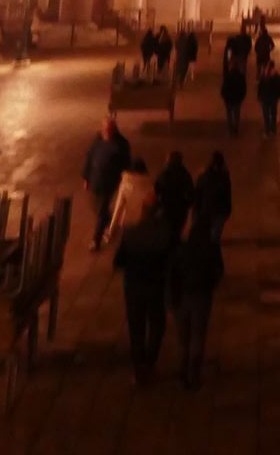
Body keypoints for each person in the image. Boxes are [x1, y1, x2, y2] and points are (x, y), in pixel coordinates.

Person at [113, 196, 172, 384]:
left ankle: (139, 367)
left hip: (134, 287)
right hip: (156, 286)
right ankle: (150, 360)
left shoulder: (130, 233)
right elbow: (171, 262)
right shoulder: (165, 234)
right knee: (157, 324)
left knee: (136, 327)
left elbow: (118, 261)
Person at [170, 224, 224, 388]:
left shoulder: (181, 250)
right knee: (198, 336)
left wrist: (171, 298)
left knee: (183, 338)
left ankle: (182, 370)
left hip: (181, 297)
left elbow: (172, 274)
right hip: (201, 297)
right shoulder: (211, 251)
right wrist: (210, 285)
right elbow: (218, 273)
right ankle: (193, 374)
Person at [83, 115, 133, 250]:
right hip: (95, 180)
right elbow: (90, 156)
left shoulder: (121, 144)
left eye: (109, 129)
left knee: (102, 210)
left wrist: (124, 179)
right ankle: (111, 223)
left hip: (109, 182)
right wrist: (86, 177)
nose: (107, 132)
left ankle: (96, 240)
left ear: (114, 129)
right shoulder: (98, 139)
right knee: (95, 207)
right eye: (105, 129)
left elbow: (126, 163)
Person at [106, 157, 152, 242]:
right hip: (141, 221)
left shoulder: (125, 184)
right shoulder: (149, 185)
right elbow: (151, 205)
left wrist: (111, 229)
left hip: (128, 220)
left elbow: (118, 208)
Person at [155, 150, 195, 241]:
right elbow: (191, 192)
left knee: (166, 232)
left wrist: (158, 204)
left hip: (166, 207)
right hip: (180, 209)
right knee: (176, 232)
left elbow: (157, 190)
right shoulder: (185, 174)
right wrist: (187, 204)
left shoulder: (164, 174)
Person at [192, 152, 232, 243]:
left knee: (206, 234)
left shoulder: (204, 176)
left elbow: (198, 195)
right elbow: (227, 195)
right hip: (218, 211)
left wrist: (196, 210)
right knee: (214, 236)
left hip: (207, 210)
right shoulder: (224, 177)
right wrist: (227, 210)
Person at [220, 57, 247, 136]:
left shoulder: (228, 76)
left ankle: (230, 129)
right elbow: (243, 88)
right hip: (237, 99)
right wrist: (242, 97)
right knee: (236, 114)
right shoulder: (241, 76)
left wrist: (224, 96)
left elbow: (224, 88)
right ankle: (236, 128)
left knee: (229, 114)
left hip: (228, 99)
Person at [257, 59, 280, 136]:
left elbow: (260, 87)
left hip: (266, 97)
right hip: (272, 98)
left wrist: (259, 96)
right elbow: (279, 87)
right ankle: (272, 129)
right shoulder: (276, 76)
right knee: (273, 114)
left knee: (267, 114)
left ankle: (268, 129)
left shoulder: (264, 75)